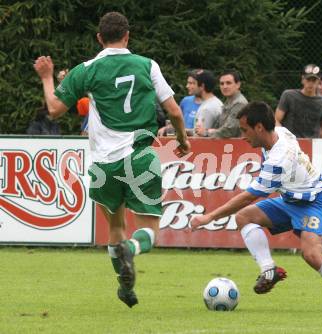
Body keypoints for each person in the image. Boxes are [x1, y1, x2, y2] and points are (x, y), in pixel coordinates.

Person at [34, 11, 190, 308]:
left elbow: (54, 109)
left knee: (115, 228)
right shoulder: (147, 65)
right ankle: (132, 249)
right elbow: (175, 112)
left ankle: (125, 286)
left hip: (104, 165)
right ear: (127, 36)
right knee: (149, 231)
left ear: (99, 38)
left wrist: (46, 77)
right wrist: (182, 140)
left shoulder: (87, 69)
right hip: (140, 157)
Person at [190, 101, 322, 313]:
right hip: (290, 200)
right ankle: (269, 270)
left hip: (317, 202)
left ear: (259, 128)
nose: (242, 135)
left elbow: (248, 197)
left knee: (311, 255)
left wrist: (208, 217)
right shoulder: (280, 132)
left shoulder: (278, 159)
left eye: (244, 130)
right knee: (244, 217)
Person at [275, 64, 322, 138]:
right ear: (302, 79)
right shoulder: (289, 95)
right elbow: (276, 120)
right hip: (290, 142)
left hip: (313, 145)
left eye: (313, 80)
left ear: (318, 81)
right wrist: (284, 137)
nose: (310, 83)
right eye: (308, 80)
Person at [205, 70, 248, 138]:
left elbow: (229, 131)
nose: (224, 86)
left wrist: (206, 133)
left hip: (237, 146)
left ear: (238, 85)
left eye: (228, 83)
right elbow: (218, 127)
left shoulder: (239, 103)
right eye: (222, 84)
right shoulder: (228, 102)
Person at [193, 70, 223, 137]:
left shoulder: (207, 109)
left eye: (195, 84)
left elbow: (199, 135)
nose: (193, 87)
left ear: (202, 86)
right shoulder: (217, 102)